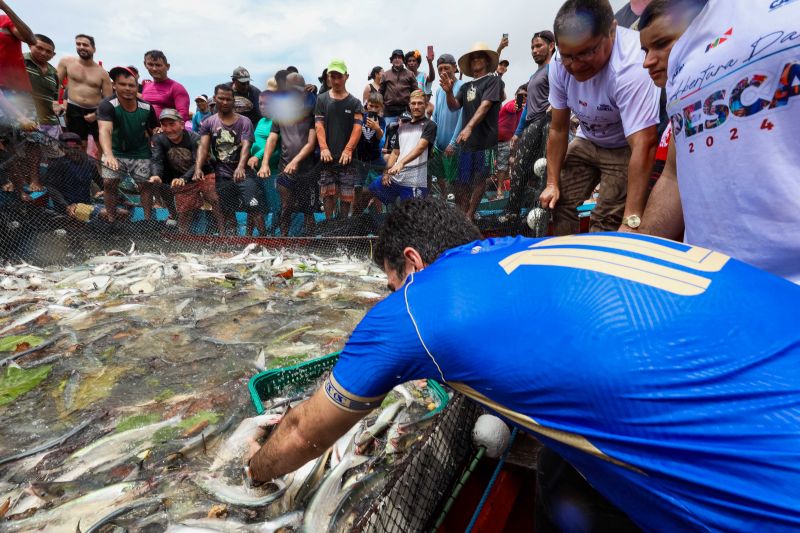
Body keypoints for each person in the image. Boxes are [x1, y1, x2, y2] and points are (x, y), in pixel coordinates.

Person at [243, 196, 800, 532]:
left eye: (390, 283)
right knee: (564, 463)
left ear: (410, 264)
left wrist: (251, 470)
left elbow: (300, 435)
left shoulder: (415, 305)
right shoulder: (526, 248)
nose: (391, 295)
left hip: (771, 490)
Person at [637, 0, 800, 283]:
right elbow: (675, 175)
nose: (648, 60)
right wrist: (637, 258)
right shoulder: (685, 46)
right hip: (713, 283)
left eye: (660, 44)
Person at [540, 0, 660, 236]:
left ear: (612, 32)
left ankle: (600, 271)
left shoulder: (632, 66)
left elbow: (644, 143)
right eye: (568, 56)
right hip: (587, 140)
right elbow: (559, 129)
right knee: (559, 202)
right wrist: (552, 184)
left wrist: (631, 219)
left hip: (624, 147)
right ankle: (567, 261)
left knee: (606, 220)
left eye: (586, 52)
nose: (575, 66)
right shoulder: (558, 65)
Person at [440, 41, 502, 220]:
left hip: (485, 140)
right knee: (462, 182)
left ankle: (470, 214)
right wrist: (449, 92)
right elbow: (454, 106)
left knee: (480, 179)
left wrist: (468, 127)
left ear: (486, 60)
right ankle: (463, 213)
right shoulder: (466, 86)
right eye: (473, 58)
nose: (476, 60)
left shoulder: (493, 81)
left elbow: (486, 105)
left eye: (479, 57)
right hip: (467, 143)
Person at [196, 84, 265, 236]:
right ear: (215, 99)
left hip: (245, 173)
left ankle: (264, 240)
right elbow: (203, 147)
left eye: (229, 99)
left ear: (233, 100)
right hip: (222, 175)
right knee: (228, 210)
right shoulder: (209, 123)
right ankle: (232, 242)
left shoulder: (244, 121)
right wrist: (198, 167)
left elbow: (247, 146)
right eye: (221, 98)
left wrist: (240, 167)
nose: (225, 102)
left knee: (254, 207)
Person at [97, 66, 159, 223]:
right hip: (115, 151)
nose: (127, 88)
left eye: (131, 85)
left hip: (140, 152)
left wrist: (156, 139)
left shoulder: (146, 107)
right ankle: (111, 218)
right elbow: (105, 130)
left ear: (136, 87)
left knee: (145, 185)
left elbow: (154, 128)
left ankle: (147, 220)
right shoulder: (108, 105)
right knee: (109, 183)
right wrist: (109, 154)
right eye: (122, 84)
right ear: (114, 85)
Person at [506, 30, 556, 220]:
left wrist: (554, 108)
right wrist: (517, 132)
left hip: (548, 123)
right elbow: (526, 109)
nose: (534, 51)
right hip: (532, 124)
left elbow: (565, 92)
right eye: (532, 47)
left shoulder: (555, 68)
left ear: (551, 46)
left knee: (545, 168)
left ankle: (547, 212)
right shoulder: (534, 75)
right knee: (520, 167)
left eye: (538, 46)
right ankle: (511, 212)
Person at [150, 108, 224, 234]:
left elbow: (198, 162)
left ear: (182, 125)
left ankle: (223, 233)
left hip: (204, 173)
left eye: (172, 124)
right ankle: (183, 235)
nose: (168, 129)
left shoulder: (195, 138)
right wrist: (156, 175)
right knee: (184, 210)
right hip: (182, 178)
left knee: (213, 199)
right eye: (164, 125)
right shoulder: (158, 139)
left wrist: (183, 178)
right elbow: (157, 160)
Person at [259, 75, 317, 237]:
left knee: (308, 210)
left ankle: (309, 241)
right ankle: (284, 240)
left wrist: (296, 161)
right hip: (285, 170)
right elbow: (272, 139)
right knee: (286, 206)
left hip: (307, 171)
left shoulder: (311, 113)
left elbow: (311, 143)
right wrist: (264, 163)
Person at [366, 90, 435, 205]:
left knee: (410, 217)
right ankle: (358, 218)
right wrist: (386, 172)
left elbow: (420, 148)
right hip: (395, 178)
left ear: (426, 105)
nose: (416, 106)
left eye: (419, 103)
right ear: (409, 106)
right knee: (370, 191)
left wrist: (401, 163)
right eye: (413, 103)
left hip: (414, 182)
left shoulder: (430, 125)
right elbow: (395, 152)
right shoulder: (402, 128)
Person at [314, 59, 363, 219]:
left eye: (339, 76)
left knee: (346, 197)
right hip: (327, 158)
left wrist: (348, 149)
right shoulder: (321, 99)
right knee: (328, 196)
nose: (335, 80)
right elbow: (319, 125)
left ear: (346, 77)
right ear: (328, 77)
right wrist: (324, 148)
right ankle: (330, 228)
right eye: (332, 76)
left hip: (348, 160)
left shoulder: (355, 102)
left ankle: (343, 230)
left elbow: (357, 127)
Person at [56, 34, 113, 155]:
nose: (81, 47)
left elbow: (109, 100)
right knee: (78, 144)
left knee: (102, 146)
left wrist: (97, 114)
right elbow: (55, 84)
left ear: (94, 49)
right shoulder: (66, 62)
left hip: (96, 110)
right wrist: (55, 102)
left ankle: (100, 173)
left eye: (85, 45)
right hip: (74, 109)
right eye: (78, 44)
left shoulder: (102, 73)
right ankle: (82, 172)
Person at [43, 132, 105, 222]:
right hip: (68, 208)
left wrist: (105, 192)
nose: (73, 152)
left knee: (122, 212)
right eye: (68, 149)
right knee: (105, 214)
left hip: (86, 205)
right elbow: (51, 187)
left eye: (76, 148)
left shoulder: (89, 163)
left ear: (82, 148)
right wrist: (66, 206)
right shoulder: (58, 164)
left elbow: (101, 182)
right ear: (62, 149)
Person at [429, 53, 463, 201]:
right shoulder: (438, 90)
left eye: (446, 68)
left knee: (456, 183)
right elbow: (435, 117)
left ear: (455, 68)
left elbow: (463, 117)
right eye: (440, 68)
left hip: (455, 146)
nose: (443, 71)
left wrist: (453, 143)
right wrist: (434, 141)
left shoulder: (463, 86)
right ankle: (444, 207)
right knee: (441, 179)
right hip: (440, 146)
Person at [24, 34, 60, 139]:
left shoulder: (54, 73)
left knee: (52, 154)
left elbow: (54, 100)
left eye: (48, 51)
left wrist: (57, 106)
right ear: (30, 45)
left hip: (51, 124)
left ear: (53, 55)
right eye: (39, 48)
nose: (43, 53)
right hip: (26, 121)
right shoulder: (19, 61)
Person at [354, 91, 385, 210]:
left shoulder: (381, 121)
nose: (373, 108)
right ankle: (355, 213)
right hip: (360, 158)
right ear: (367, 105)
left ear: (381, 107)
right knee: (357, 186)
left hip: (375, 158)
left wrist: (377, 128)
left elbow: (380, 136)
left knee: (381, 183)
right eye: (371, 105)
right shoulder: (361, 117)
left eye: (376, 106)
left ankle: (379, 212)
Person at [493, 85, 526, 199]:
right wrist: (521, 99)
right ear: (516, 95)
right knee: (494, 168)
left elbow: (520, 126)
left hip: (507, 142)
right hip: (493, 141)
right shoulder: (510, 104)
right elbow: (514, 108)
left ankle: (502, 191)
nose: (523, 97)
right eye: (520, 95)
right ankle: (496, 191)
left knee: (505, 166)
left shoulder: (524, 111)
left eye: (525, 95)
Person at [140, 50, 190, 122]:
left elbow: (183, 115)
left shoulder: (176, 87)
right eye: (150, 64)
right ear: (145, 65)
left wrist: (165, 128)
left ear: (167, 66)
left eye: (158, 65)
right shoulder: (146, 86)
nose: (154, 68)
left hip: (167, 131)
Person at [380, 49, 417, 127]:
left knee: (405, 135)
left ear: (403, 60)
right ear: (391, 60)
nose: (397, 59)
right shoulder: (385, 75)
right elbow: (380, 93)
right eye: (395, 58)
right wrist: (381, 109)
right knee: (388, 136)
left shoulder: (410, 74)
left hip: (405, 111)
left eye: (399, 58)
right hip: (389, 112)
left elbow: (415, 93)